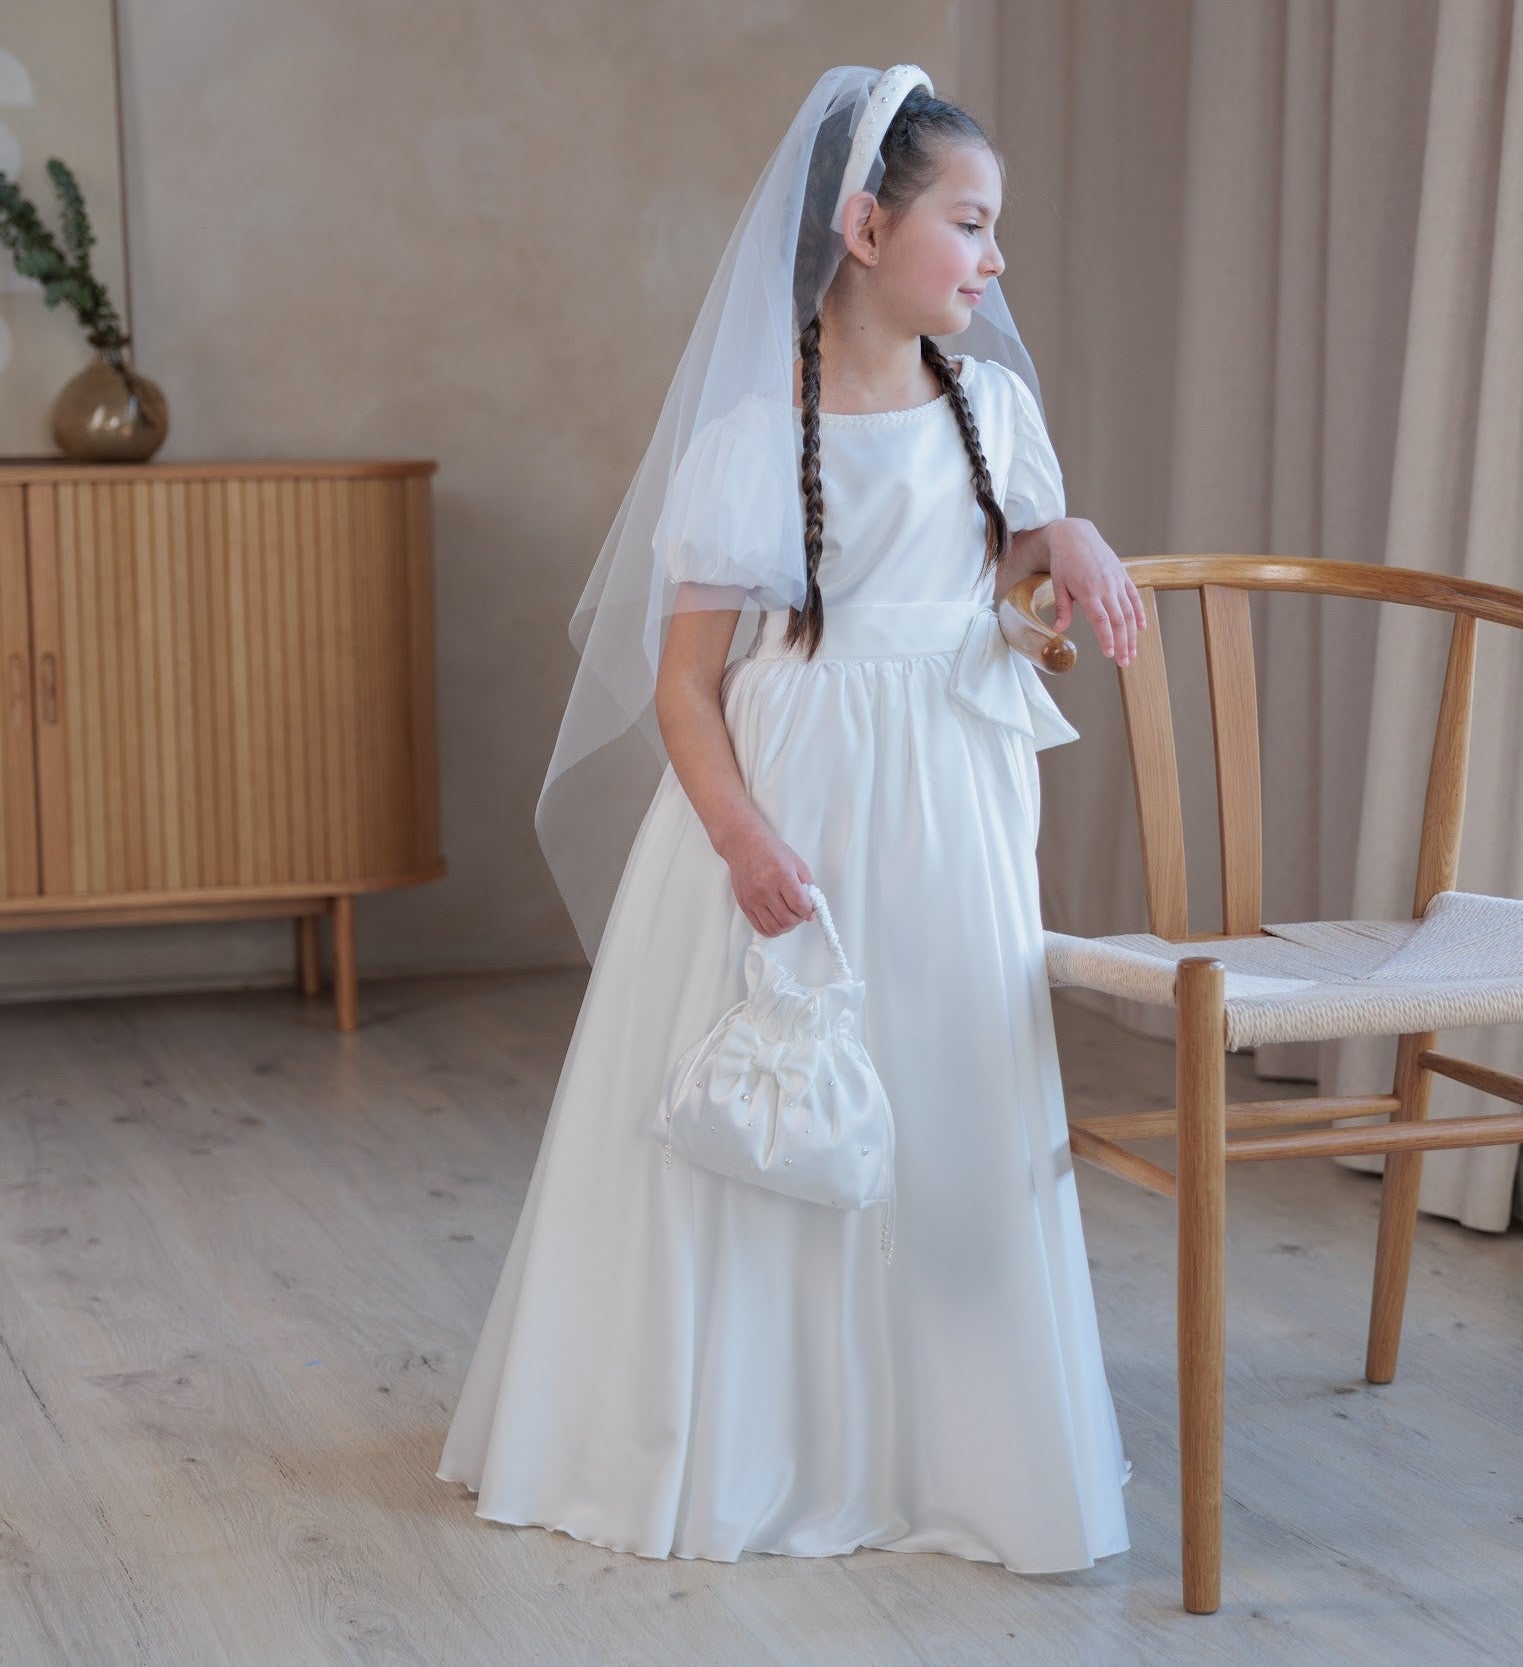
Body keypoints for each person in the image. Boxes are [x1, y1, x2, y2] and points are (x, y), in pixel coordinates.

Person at [436, 62, 1148, 1574]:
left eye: (996, 225)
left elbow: (1011, 595)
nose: (994, 256)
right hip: (795, 801)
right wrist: (745, 839)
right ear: (865, 227)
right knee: (773, 1099)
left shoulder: (994, 410)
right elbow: (687, 686)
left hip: (950, 801)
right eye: (970, 221)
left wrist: (1059, 552)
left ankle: (953, 1447)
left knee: (955, 1091)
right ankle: (757, 1440)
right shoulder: (757, 440)